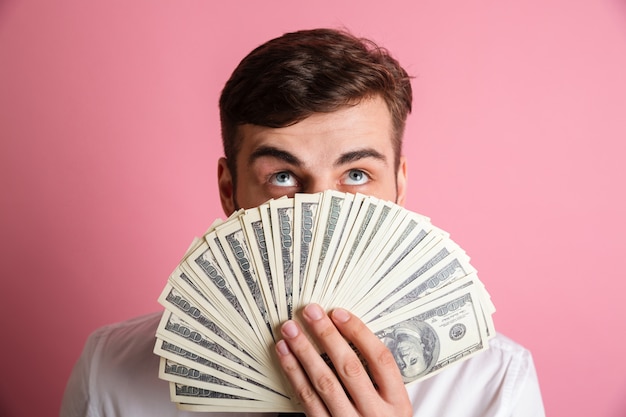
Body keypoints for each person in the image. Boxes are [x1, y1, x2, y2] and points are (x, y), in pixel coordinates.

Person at [60, 28, 545, 417]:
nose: (321, 212)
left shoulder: (494, 383)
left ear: (398, 186)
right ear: (230, 190)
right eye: (284, 176)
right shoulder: (111, 373)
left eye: (356, 174)